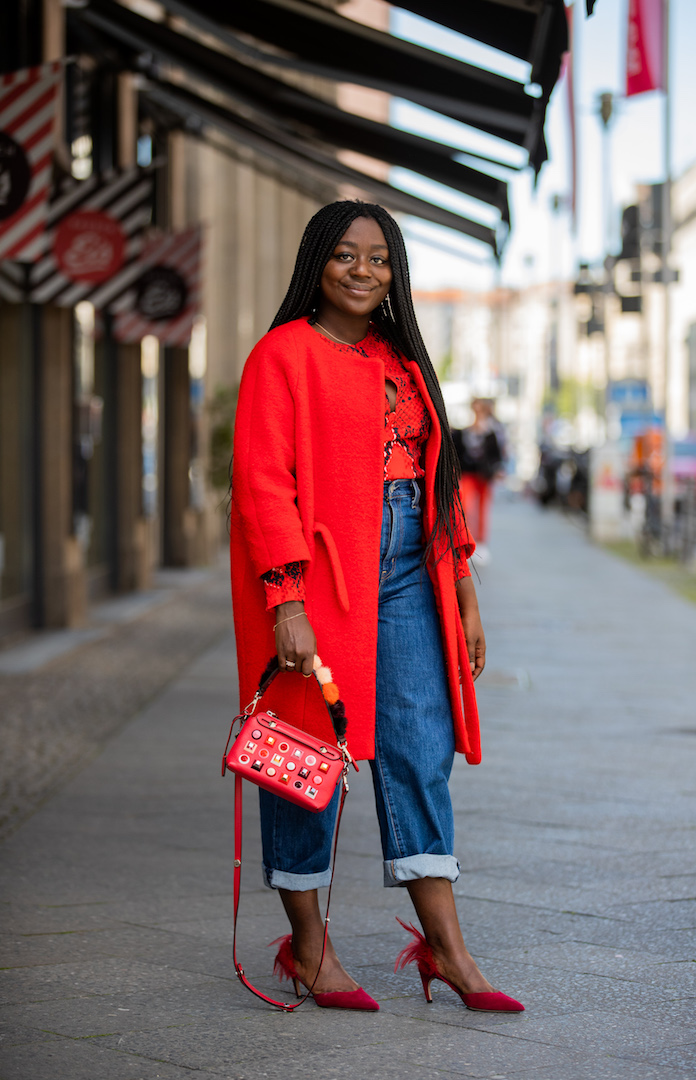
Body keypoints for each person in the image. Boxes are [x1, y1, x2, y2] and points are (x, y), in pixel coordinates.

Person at [230, 200, 523, 1014]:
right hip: (319, 577)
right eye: (346, 255)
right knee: (303, 759)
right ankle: (309, 950)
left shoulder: (401, 358)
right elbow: (262, 485)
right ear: (315, 262)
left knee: (418, 750)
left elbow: (438, 488)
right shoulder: (280, 356)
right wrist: (285, 599)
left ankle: (447, 950)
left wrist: (463, 594)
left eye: (381, 259)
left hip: (409, 575)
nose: (364, 271)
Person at [452, 399, 506, 562]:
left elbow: (496, 455)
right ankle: (466, 542)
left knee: (483, 509)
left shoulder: (491, 433)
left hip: (485, 475)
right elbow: (456, 451)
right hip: (467, 473)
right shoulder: (463, 432)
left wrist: (498, 470)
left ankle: (481, 542)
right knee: (466, 508)